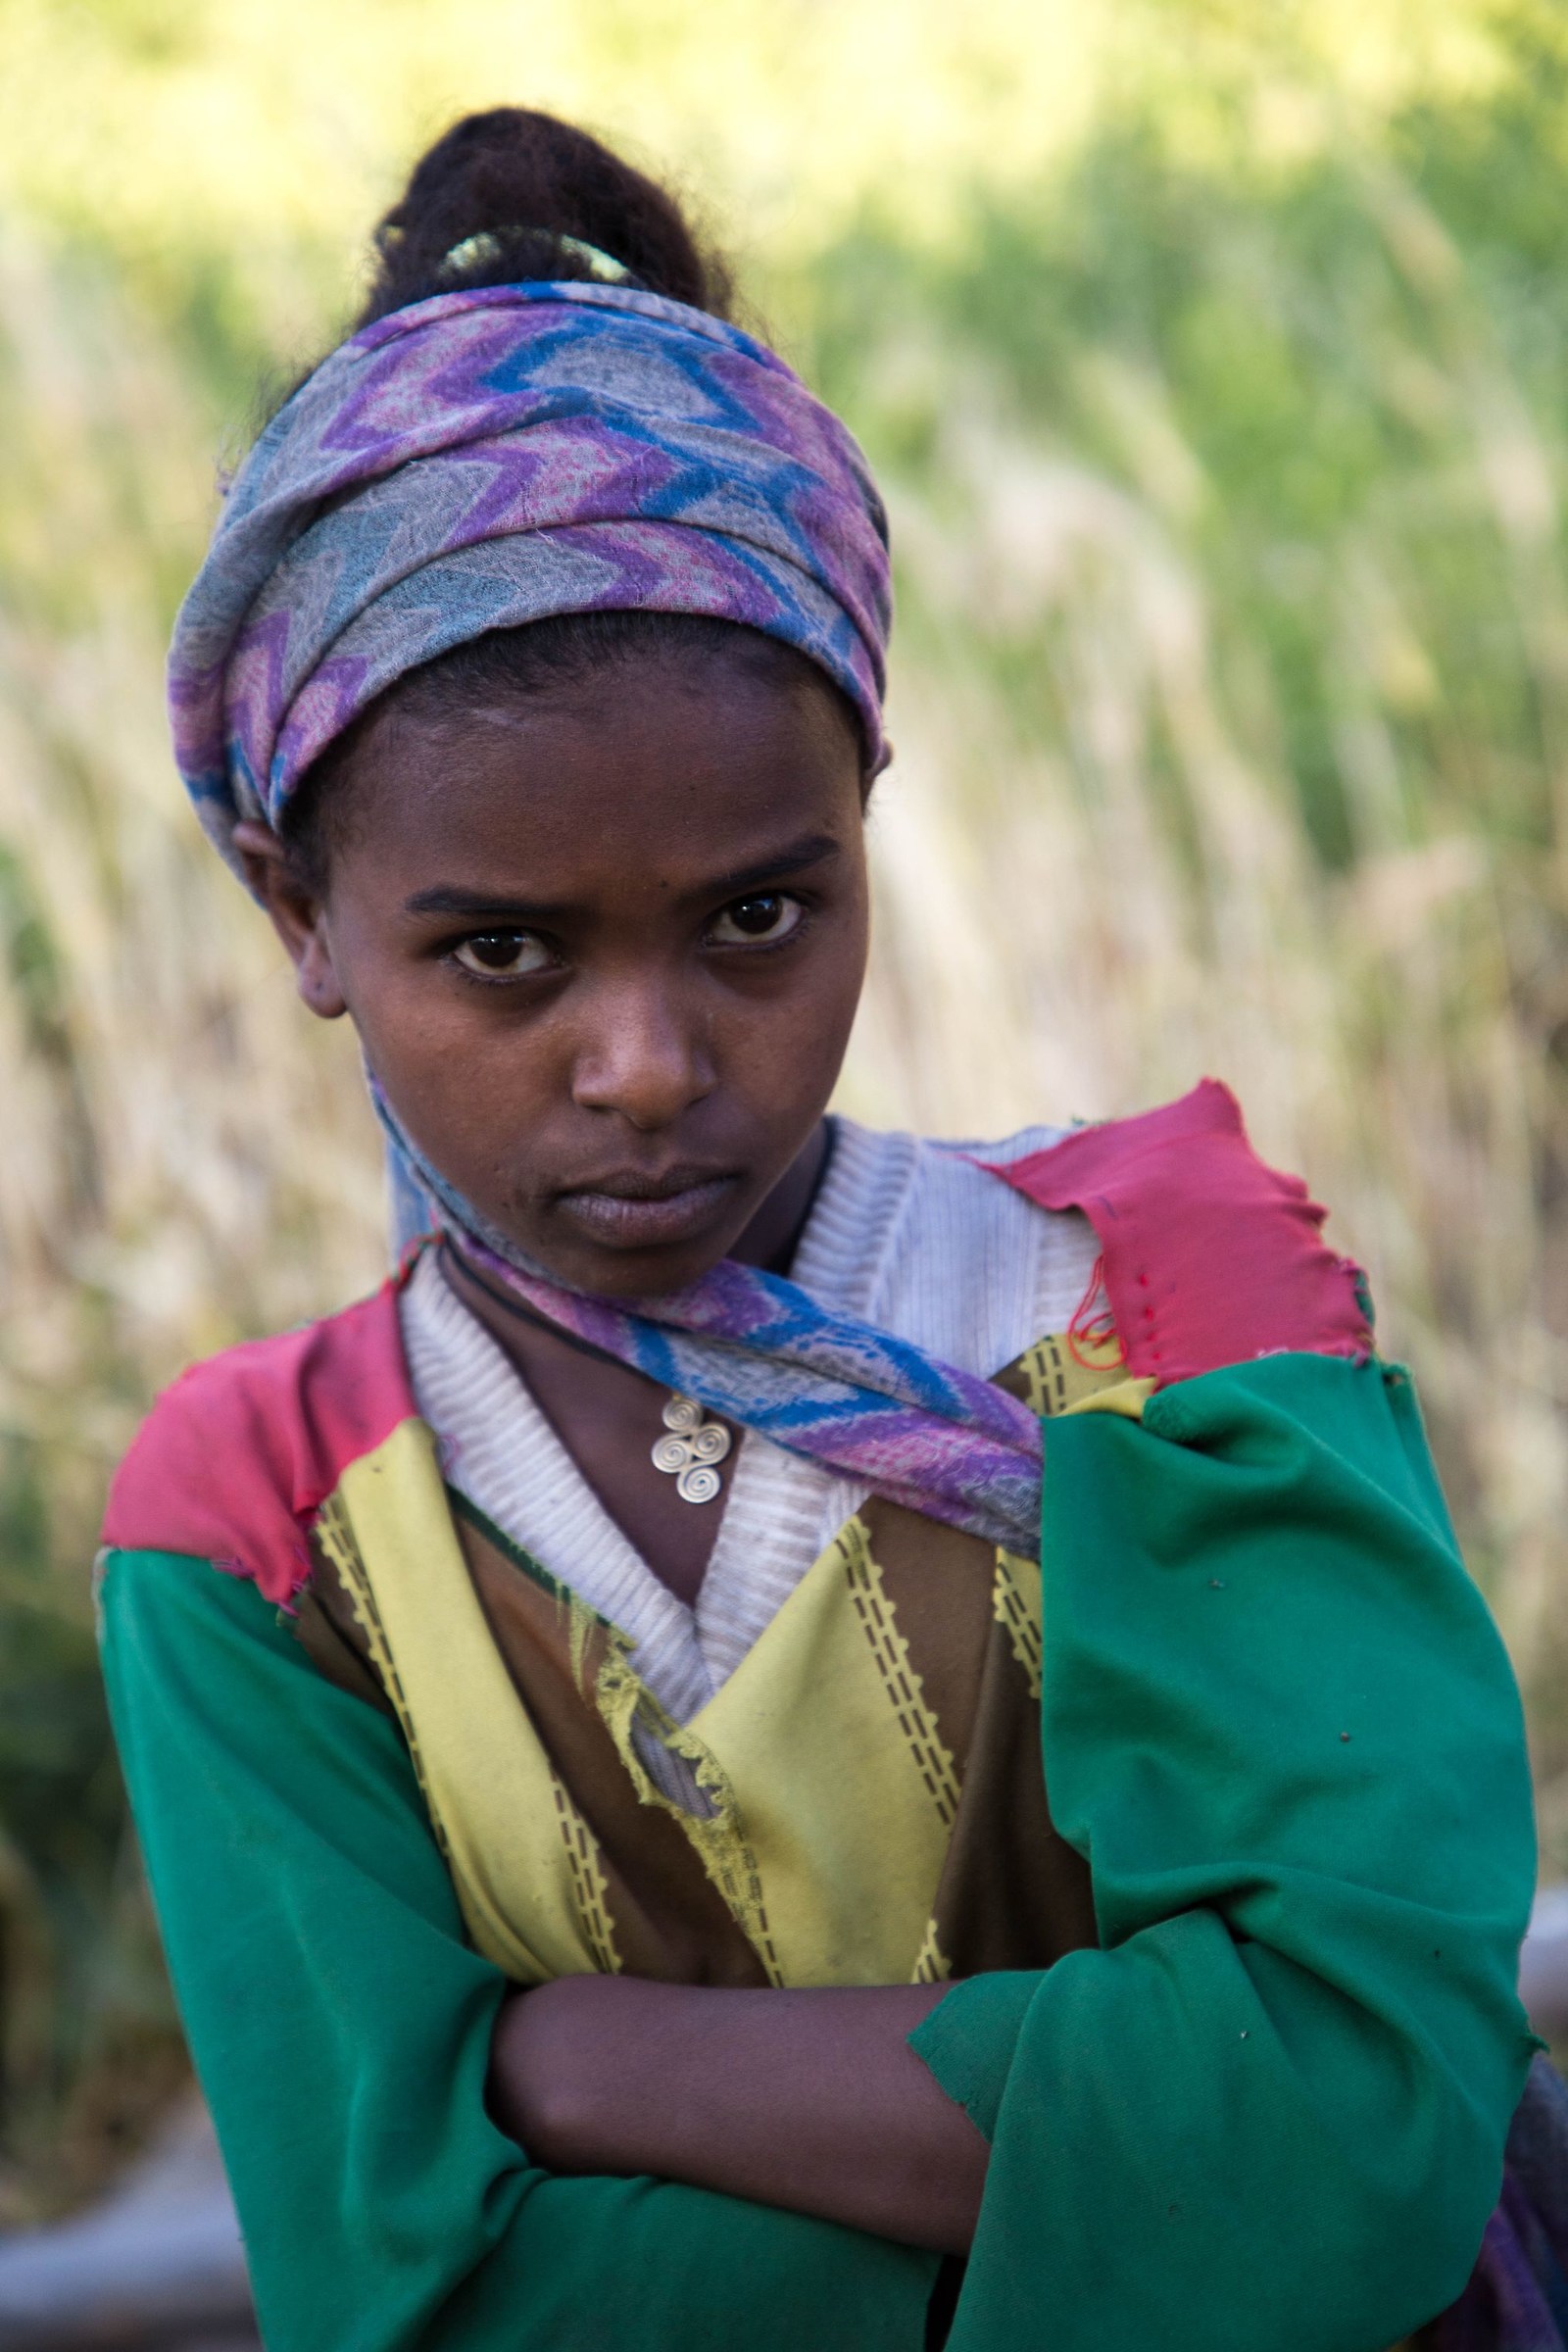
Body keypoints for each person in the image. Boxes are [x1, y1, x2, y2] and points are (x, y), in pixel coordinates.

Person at [97, 106, 1561, 2352]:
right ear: (299, 910)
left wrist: (553, 2057)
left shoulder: (1161, 1320)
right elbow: (405, 2294)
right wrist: (1134, 2164)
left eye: (757, 915)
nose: (651, 1061)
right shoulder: (265, 1540)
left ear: (862, 816)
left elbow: (1344, 2126)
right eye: (503, 954)